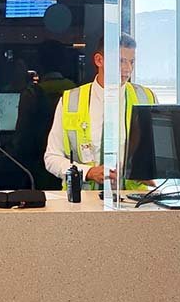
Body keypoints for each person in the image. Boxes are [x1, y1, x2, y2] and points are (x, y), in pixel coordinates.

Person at [44, 33, 157, 189]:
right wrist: (88, 172)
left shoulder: (146, 97)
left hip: (133, 199)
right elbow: (52, 158)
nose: (128, 69)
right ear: (99, 60)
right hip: (83, 199)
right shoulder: (70, 100)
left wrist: (152, 173)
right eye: (121, 61)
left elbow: (160, 156)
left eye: (132, 62)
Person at [12, 40, 77, 189]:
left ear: (39, 64)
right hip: (70, 164)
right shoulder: (75, 91)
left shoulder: (32, 94)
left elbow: (21, 137)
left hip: (37, 166)